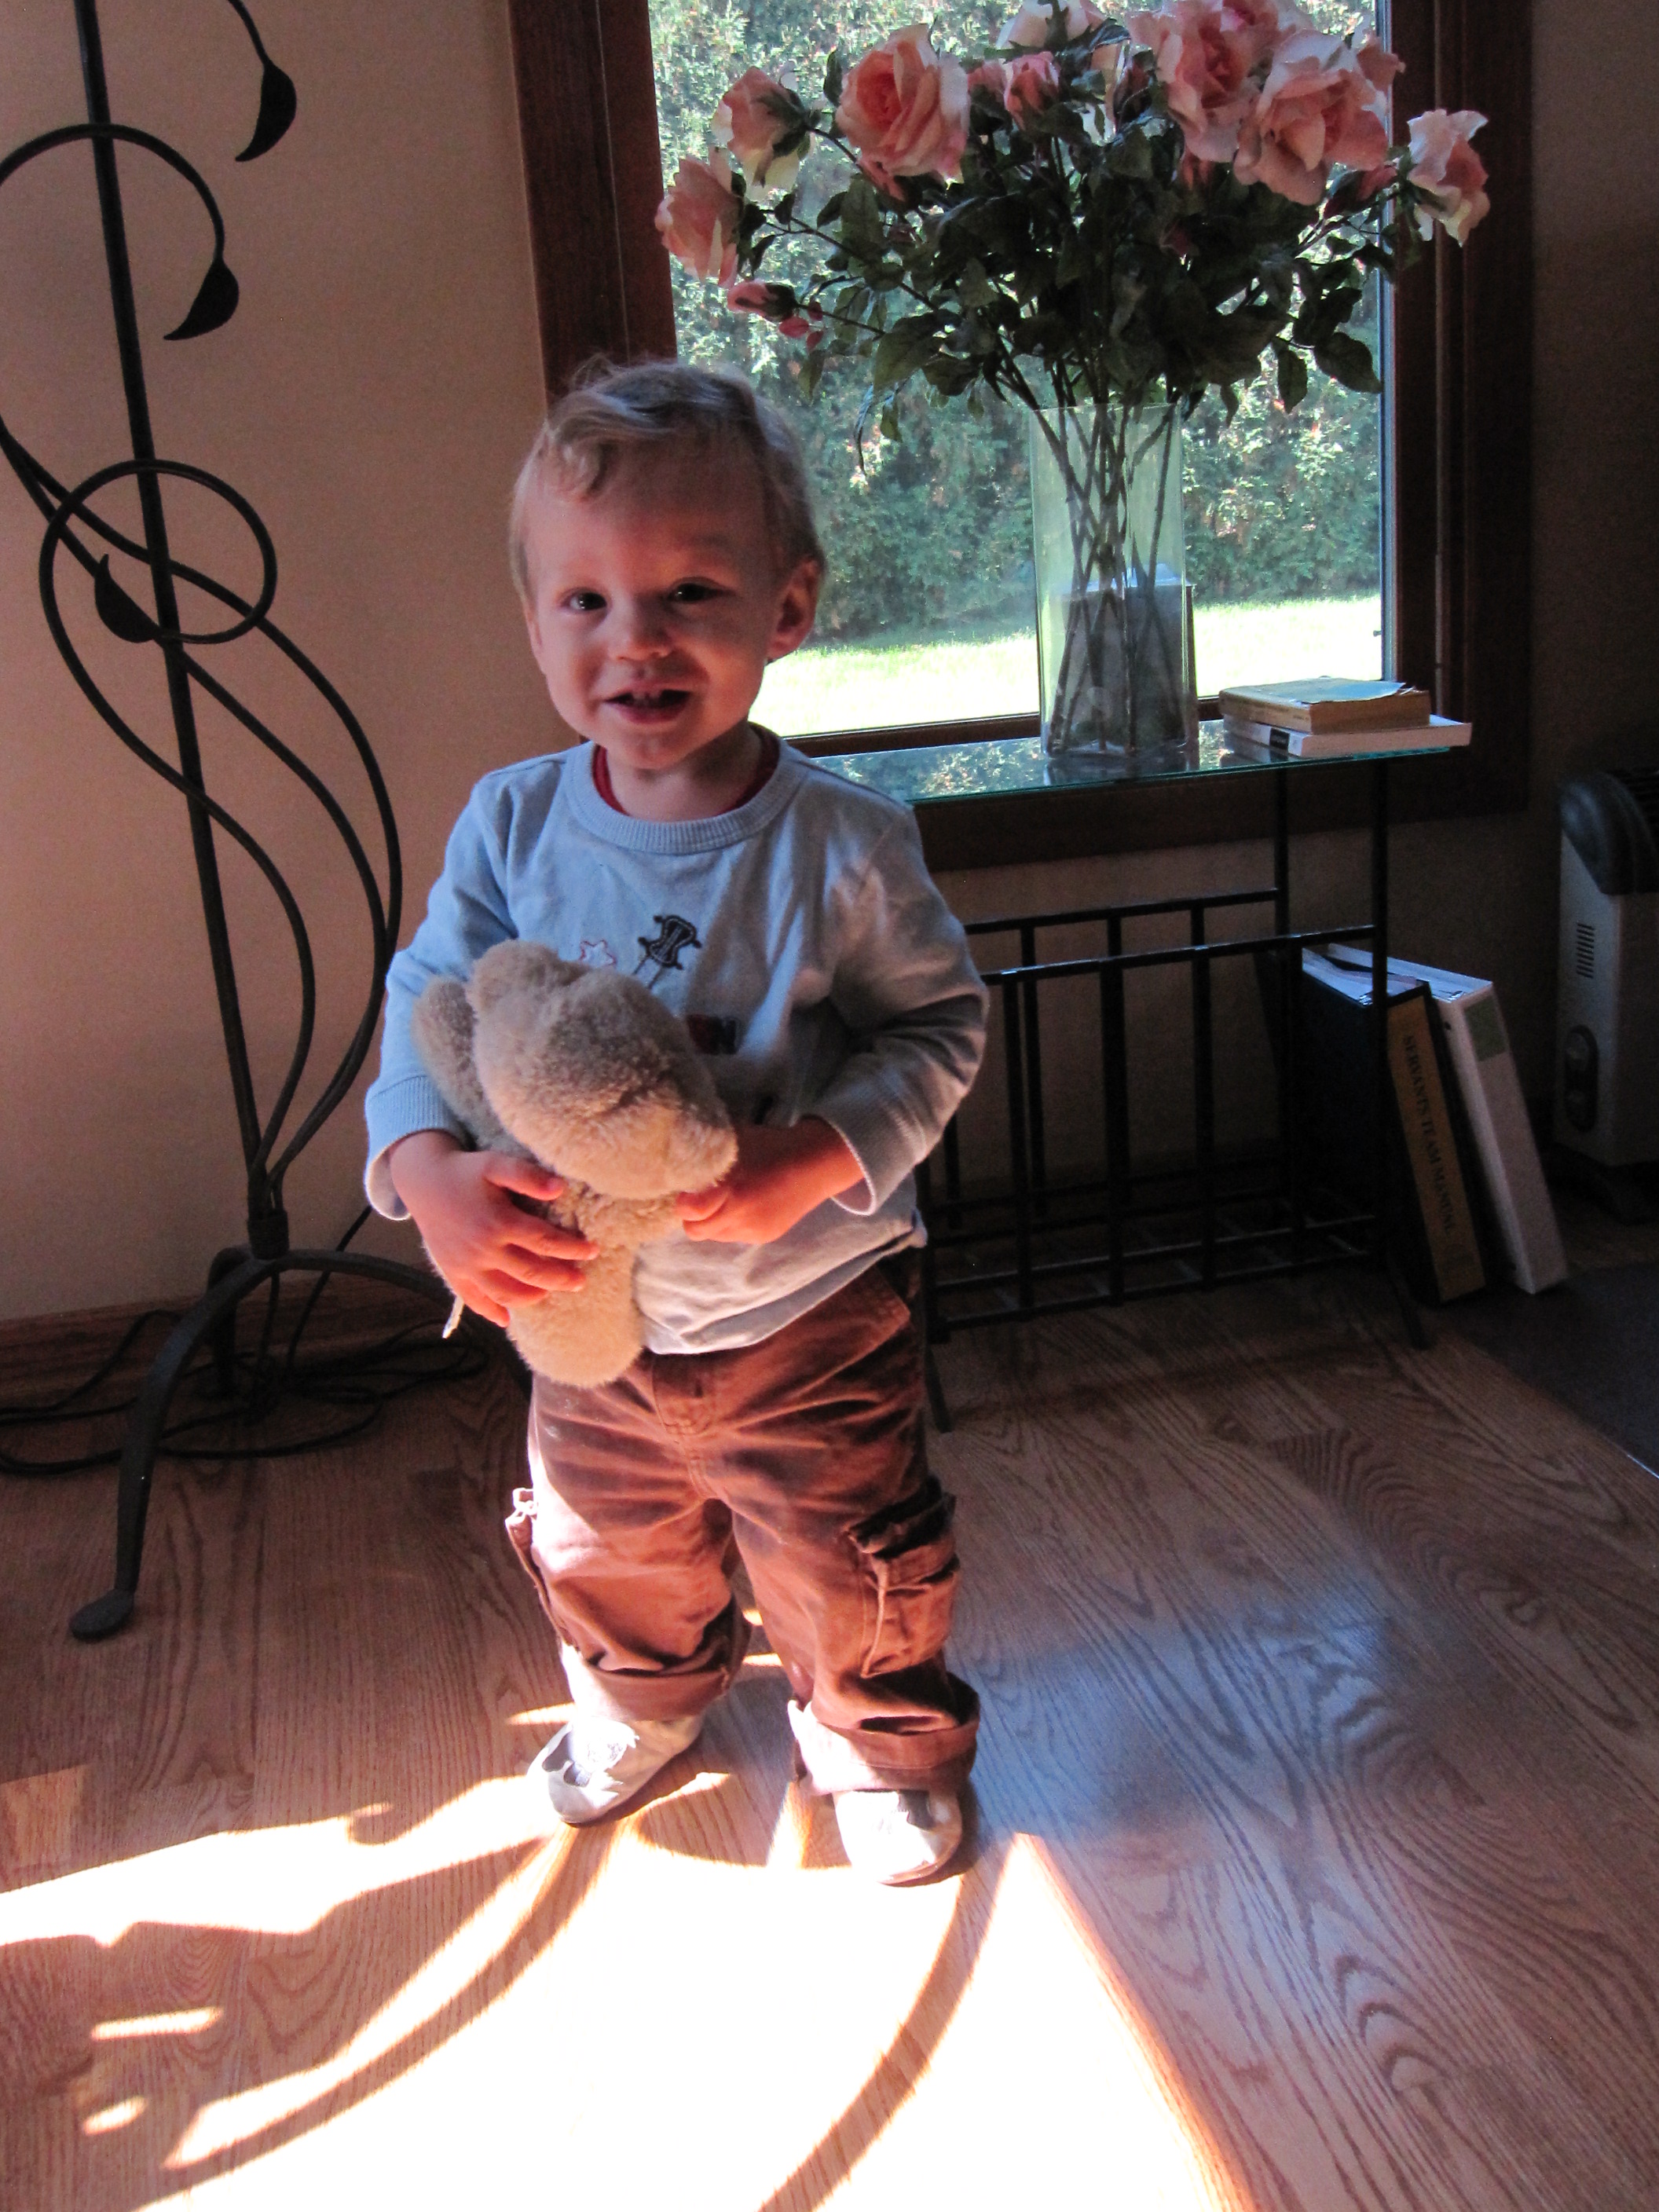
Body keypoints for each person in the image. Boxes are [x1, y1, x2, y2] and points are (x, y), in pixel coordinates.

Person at [363, 360, 986, 1884]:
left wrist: (815, 1159)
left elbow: (940, 1029)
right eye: (585, 601)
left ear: (788, 608)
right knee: (608, 1546)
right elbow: (428, 1001)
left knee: (847, 1557)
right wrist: (425, 1171)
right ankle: (639, 1700)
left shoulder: (843, 845)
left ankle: (876, 1740)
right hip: (588, 1316)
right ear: (535, 624)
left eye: (690, 592)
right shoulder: (513, 824)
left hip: (809, 1311)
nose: (633, 638)